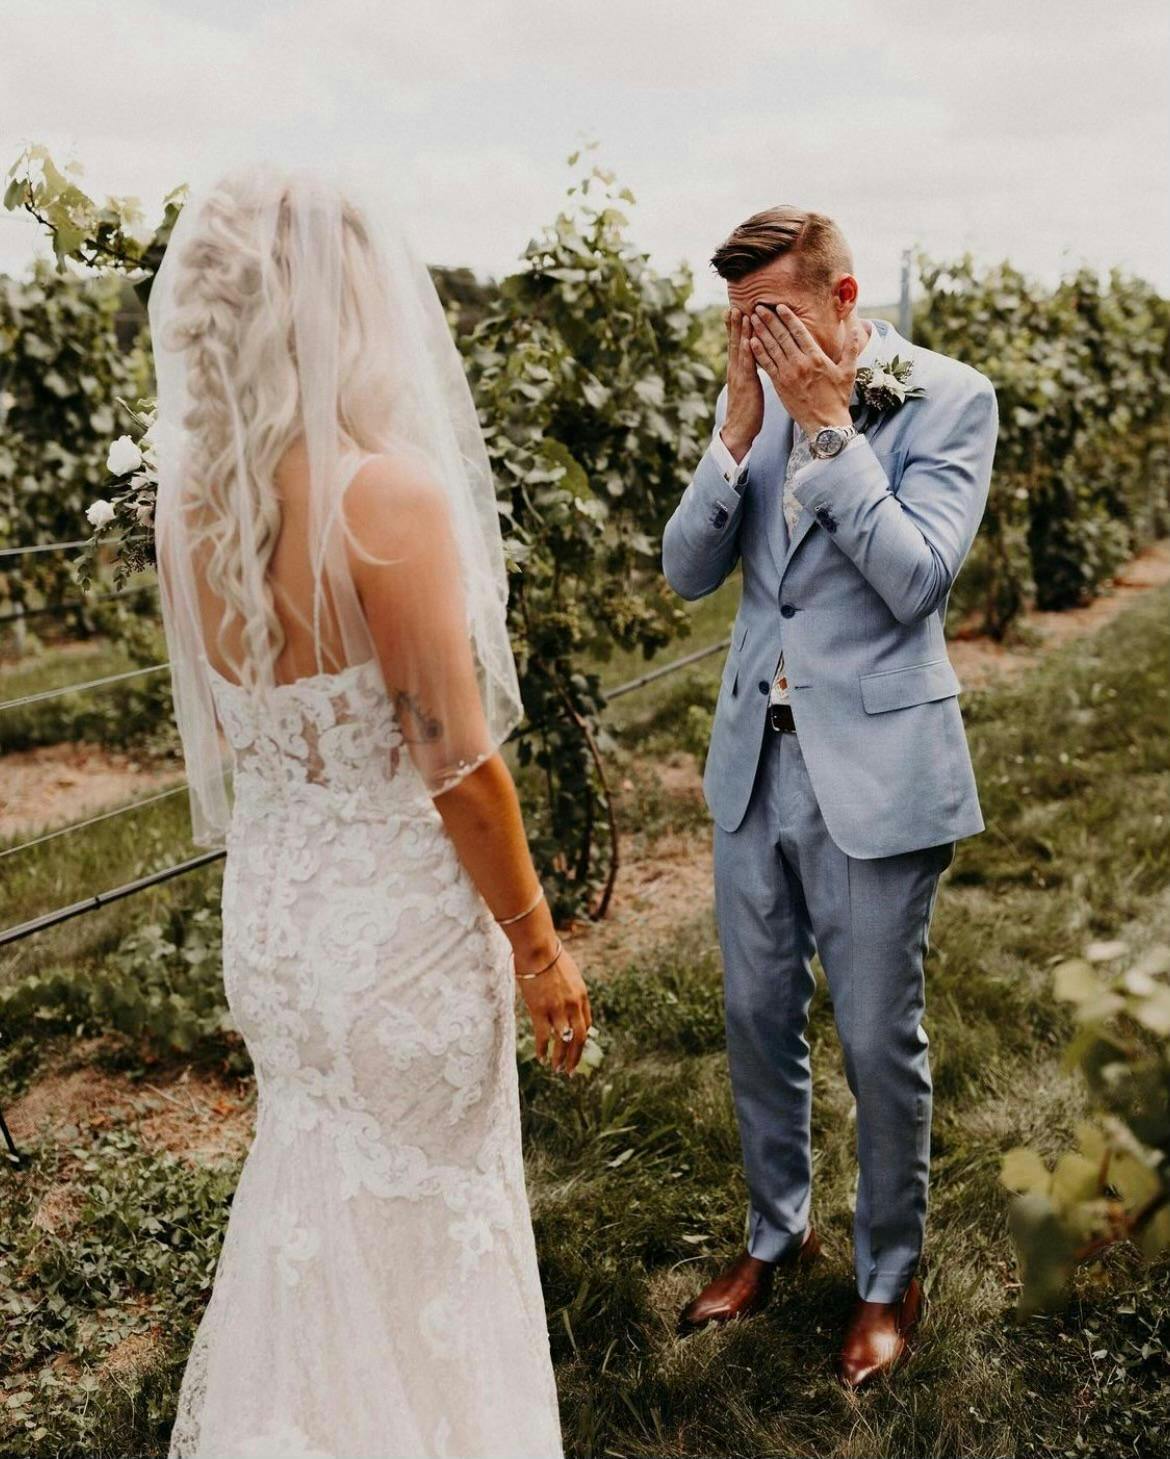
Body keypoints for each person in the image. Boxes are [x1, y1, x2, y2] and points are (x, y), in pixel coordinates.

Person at [150, 160, 588, 1458]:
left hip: (278, 934)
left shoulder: (192, 505)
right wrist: (540, 945)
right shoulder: (382, 497)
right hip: (395, 937)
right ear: (331, 309)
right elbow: (456, 763)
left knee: (319, 1206)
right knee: (429, 1223)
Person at [662, 206, 998, 1387]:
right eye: (740, 323)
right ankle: (775, 1231)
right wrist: (736, 434)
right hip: (757, 759)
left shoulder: (952, 398)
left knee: (873, 1038)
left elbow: (916, 580)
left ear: (844, 300)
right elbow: (687, 571)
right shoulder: (746, 397)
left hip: (879, 768)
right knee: (757, 1021)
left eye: (779, 317)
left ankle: (886, 1272)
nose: (757, 340)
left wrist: (827, 430)